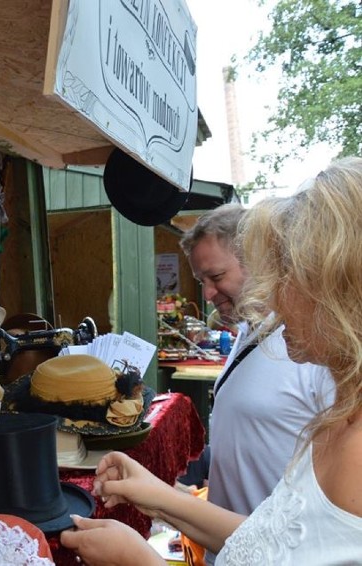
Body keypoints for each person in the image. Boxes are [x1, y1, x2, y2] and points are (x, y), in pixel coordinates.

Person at [61, 157, 362, 564]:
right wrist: (158, 495)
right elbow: (270, 541)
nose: (271, 297)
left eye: (286, 275)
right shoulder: (338, 420)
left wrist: (141, 561)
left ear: (340, 289)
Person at [177, 203, 332, 563]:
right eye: (202, 281)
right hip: (234, 548)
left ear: (258, 261)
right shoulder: (249, 331)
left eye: (215, 277)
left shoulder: (312, 347)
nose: (208, 294)